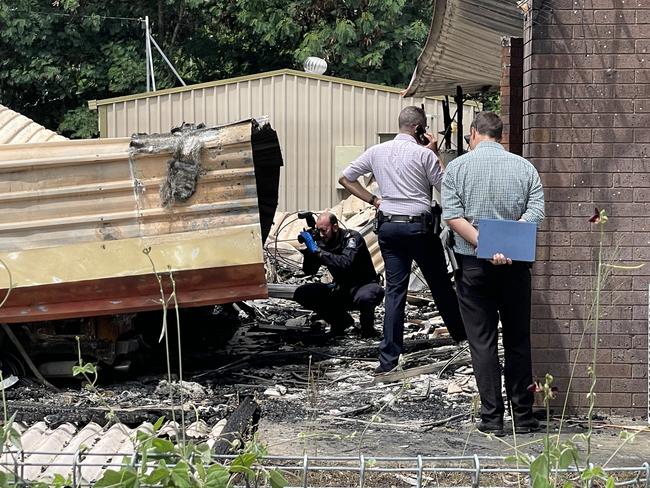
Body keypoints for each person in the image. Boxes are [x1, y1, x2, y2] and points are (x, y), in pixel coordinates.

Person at [339, 106, 466, 374]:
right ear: (420, 129)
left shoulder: (377, 151)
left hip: (388, 226)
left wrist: (374, 200)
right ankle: (462, 337)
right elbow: (448, 188)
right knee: (440, 285)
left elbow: (345, 177)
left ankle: (388, 361)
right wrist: (434, 153)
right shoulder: (423, 155)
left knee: (395, 291)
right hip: (418, 228)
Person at [441, 111, 545, 436]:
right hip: (515, 266)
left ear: (473, 133)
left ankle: (491, 419)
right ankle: (524, 418)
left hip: (473, 266)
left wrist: (486, 244)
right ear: (501, 135)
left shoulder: (457, 168)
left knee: (482, 342)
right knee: (518, 340)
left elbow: (453, 216)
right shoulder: (524, 167)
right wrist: (507, 242)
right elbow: (536, 210)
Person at [294, 212, 384, 338]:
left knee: (367, 295)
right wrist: (310, 252)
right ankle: (341, 323)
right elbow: (310, 271)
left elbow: (345, 262)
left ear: (335, 227)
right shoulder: (321, 242)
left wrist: (319, 252)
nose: (321, 234)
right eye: (318, 231)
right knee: (303, 293)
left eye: (323, 230)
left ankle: (368, 330)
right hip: (341, 289)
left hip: (363, 285)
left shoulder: (352, 238)